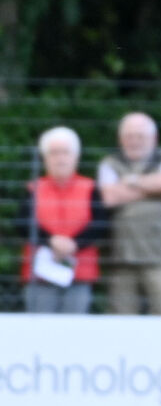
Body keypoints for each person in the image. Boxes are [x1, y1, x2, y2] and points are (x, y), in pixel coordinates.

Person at [98, 112, 161, 315]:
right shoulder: (109, 163)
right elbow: (110, 197)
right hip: (123, 259)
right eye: (129, 136)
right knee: (122, 322)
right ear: (120, 139)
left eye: (140, 136)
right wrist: (153, 189)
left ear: (154, 139)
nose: (134, 141)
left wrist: (130, 182)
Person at [17, 126, 106, 314]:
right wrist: (51, 241)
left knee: (74, 332)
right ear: (45, 158)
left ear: (76, 157)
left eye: (65, 152)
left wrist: (74, 244)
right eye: (54, 153)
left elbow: (100, 224)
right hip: (41, 274)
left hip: (79, 272)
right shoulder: (34, 188)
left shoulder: (90, 187)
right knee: (40, 330)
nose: (60, 158)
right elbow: (23, 223)